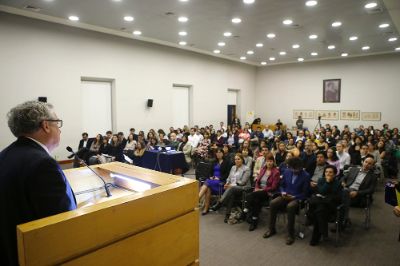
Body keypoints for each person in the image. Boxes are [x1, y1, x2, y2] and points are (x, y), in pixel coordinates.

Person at [0, 101, 77, 265]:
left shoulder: (5, 154)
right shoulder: (43, 164)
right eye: (57, 123)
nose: (60, 128)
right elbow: (62, 224)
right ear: (46, 126)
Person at [263, 157, 310, 245]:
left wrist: (294, 197)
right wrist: (283, 192)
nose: (293, 170)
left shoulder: (306, 176)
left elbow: (305, 193)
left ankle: (290, 234)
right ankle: (271, 229)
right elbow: (281, 185)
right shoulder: (287, 171)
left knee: (290, 206)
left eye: (295, 169)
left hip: (297, 198)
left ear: (300, 167)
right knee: (273, 203)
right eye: (291, 168)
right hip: (285, 195)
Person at [211, 153, 251, 223]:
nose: (237, 161)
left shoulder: (246, 169)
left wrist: (232, 185)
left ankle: (219, 203)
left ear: (242, 160)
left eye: (238, 159)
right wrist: (227, 183)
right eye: (235, 159)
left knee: (231, 189)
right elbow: (229, 178)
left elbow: (243, 182)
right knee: (231, 193)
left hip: (243, 188)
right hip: (233, 188)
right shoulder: (233, 167)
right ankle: (227, 215)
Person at [308, 165, 342, 246]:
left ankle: (317, 237)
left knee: (319, 211)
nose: (328, 174)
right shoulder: (321, 180)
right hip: (321, 206)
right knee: (320, 211)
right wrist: (327, 182)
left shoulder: (338, 183)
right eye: (326, 172)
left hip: (331, 206)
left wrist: (326, 195)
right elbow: (322, 191)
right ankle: (323, 232)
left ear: (334, 174)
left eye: (330, 172)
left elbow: (337, 197)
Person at [245, 153, 280, 231]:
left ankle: (246, 209)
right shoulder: (263, 169)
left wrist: (262, 190)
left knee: (249, 196)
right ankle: (254, 221)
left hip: (268, 193)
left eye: (271, 161)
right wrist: (257, 188)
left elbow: (274, 187)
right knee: (256, 201)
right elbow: (257, 181)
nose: (269, 163)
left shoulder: (276, 172)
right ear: (266, 162)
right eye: (268, 161)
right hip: (258, 193)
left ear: (273, 162)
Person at [341, 155, 377, 227]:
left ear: (372, 166)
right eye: (366, 162)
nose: (367, 164)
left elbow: (371, 190)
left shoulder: (373, 176)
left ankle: (343, 220)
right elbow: (343, 178)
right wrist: (343, 183)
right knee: (344, 193)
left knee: (341, 198)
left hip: (359, 197)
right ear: (362, 162)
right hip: (347, 190)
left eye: (369, 163)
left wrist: (357, 193)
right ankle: (344, 219)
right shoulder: (353, 169)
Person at [198, 148, 232, 215]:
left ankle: (197, 199)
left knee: (207, 182)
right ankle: (206, 208)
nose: (218, 154)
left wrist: (219, 178)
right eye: (217, 152)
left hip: (221, 182)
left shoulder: (227, 162)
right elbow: (210, 172)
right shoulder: (214, 162)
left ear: (223, 153)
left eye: (220, 152)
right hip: (212, 181)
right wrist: (211, 176)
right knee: (208, 188)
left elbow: (228, 174)